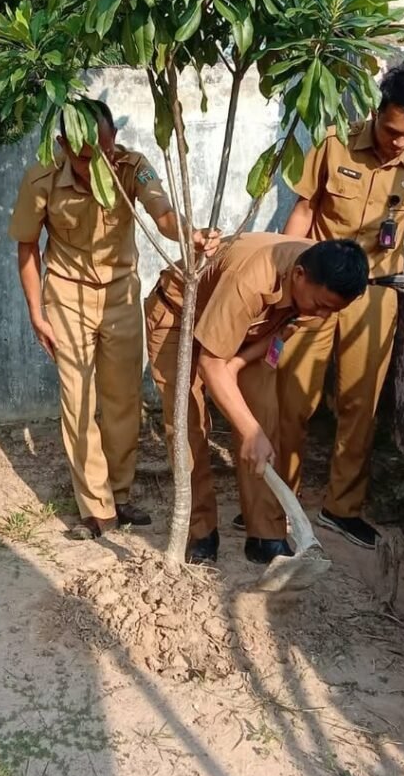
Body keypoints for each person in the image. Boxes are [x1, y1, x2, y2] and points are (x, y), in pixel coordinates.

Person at [8, 99, 219, 540]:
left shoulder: (132, 167)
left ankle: (119, 494)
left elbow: (162, 212)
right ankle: (96, 508)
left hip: (120, 294)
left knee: (123, 399)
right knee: (78, 400)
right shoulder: (42, 179)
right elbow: (27, 247)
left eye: (104, 151)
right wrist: (36, 313)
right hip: (67, 296)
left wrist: (191, 234)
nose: (97, 166)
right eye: (85, 157)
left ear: (114, 140)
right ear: (64, 144)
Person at [273, 62, 404, 550]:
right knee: (292, 399)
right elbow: (304, 210)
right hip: (315, 291)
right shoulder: (334, 142)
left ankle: (342, 508)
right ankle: (279, 502)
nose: (400, 143)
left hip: (374, 294)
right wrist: (286, 284)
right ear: (377, 111)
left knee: (359, 404)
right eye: (393, 131)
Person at [145, 233, 369, 564]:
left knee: (264, 416)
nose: (322, 316)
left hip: (251, 330)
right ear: (299, 275)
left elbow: (280, 331)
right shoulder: (250, 280)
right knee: (189, 426)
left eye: (332, 311)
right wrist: (249, 431)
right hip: (180, 316)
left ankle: (266, 536)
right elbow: (210, 364)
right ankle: (201, 531)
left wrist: (237, 365)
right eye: (321, 306)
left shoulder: (321, 280)